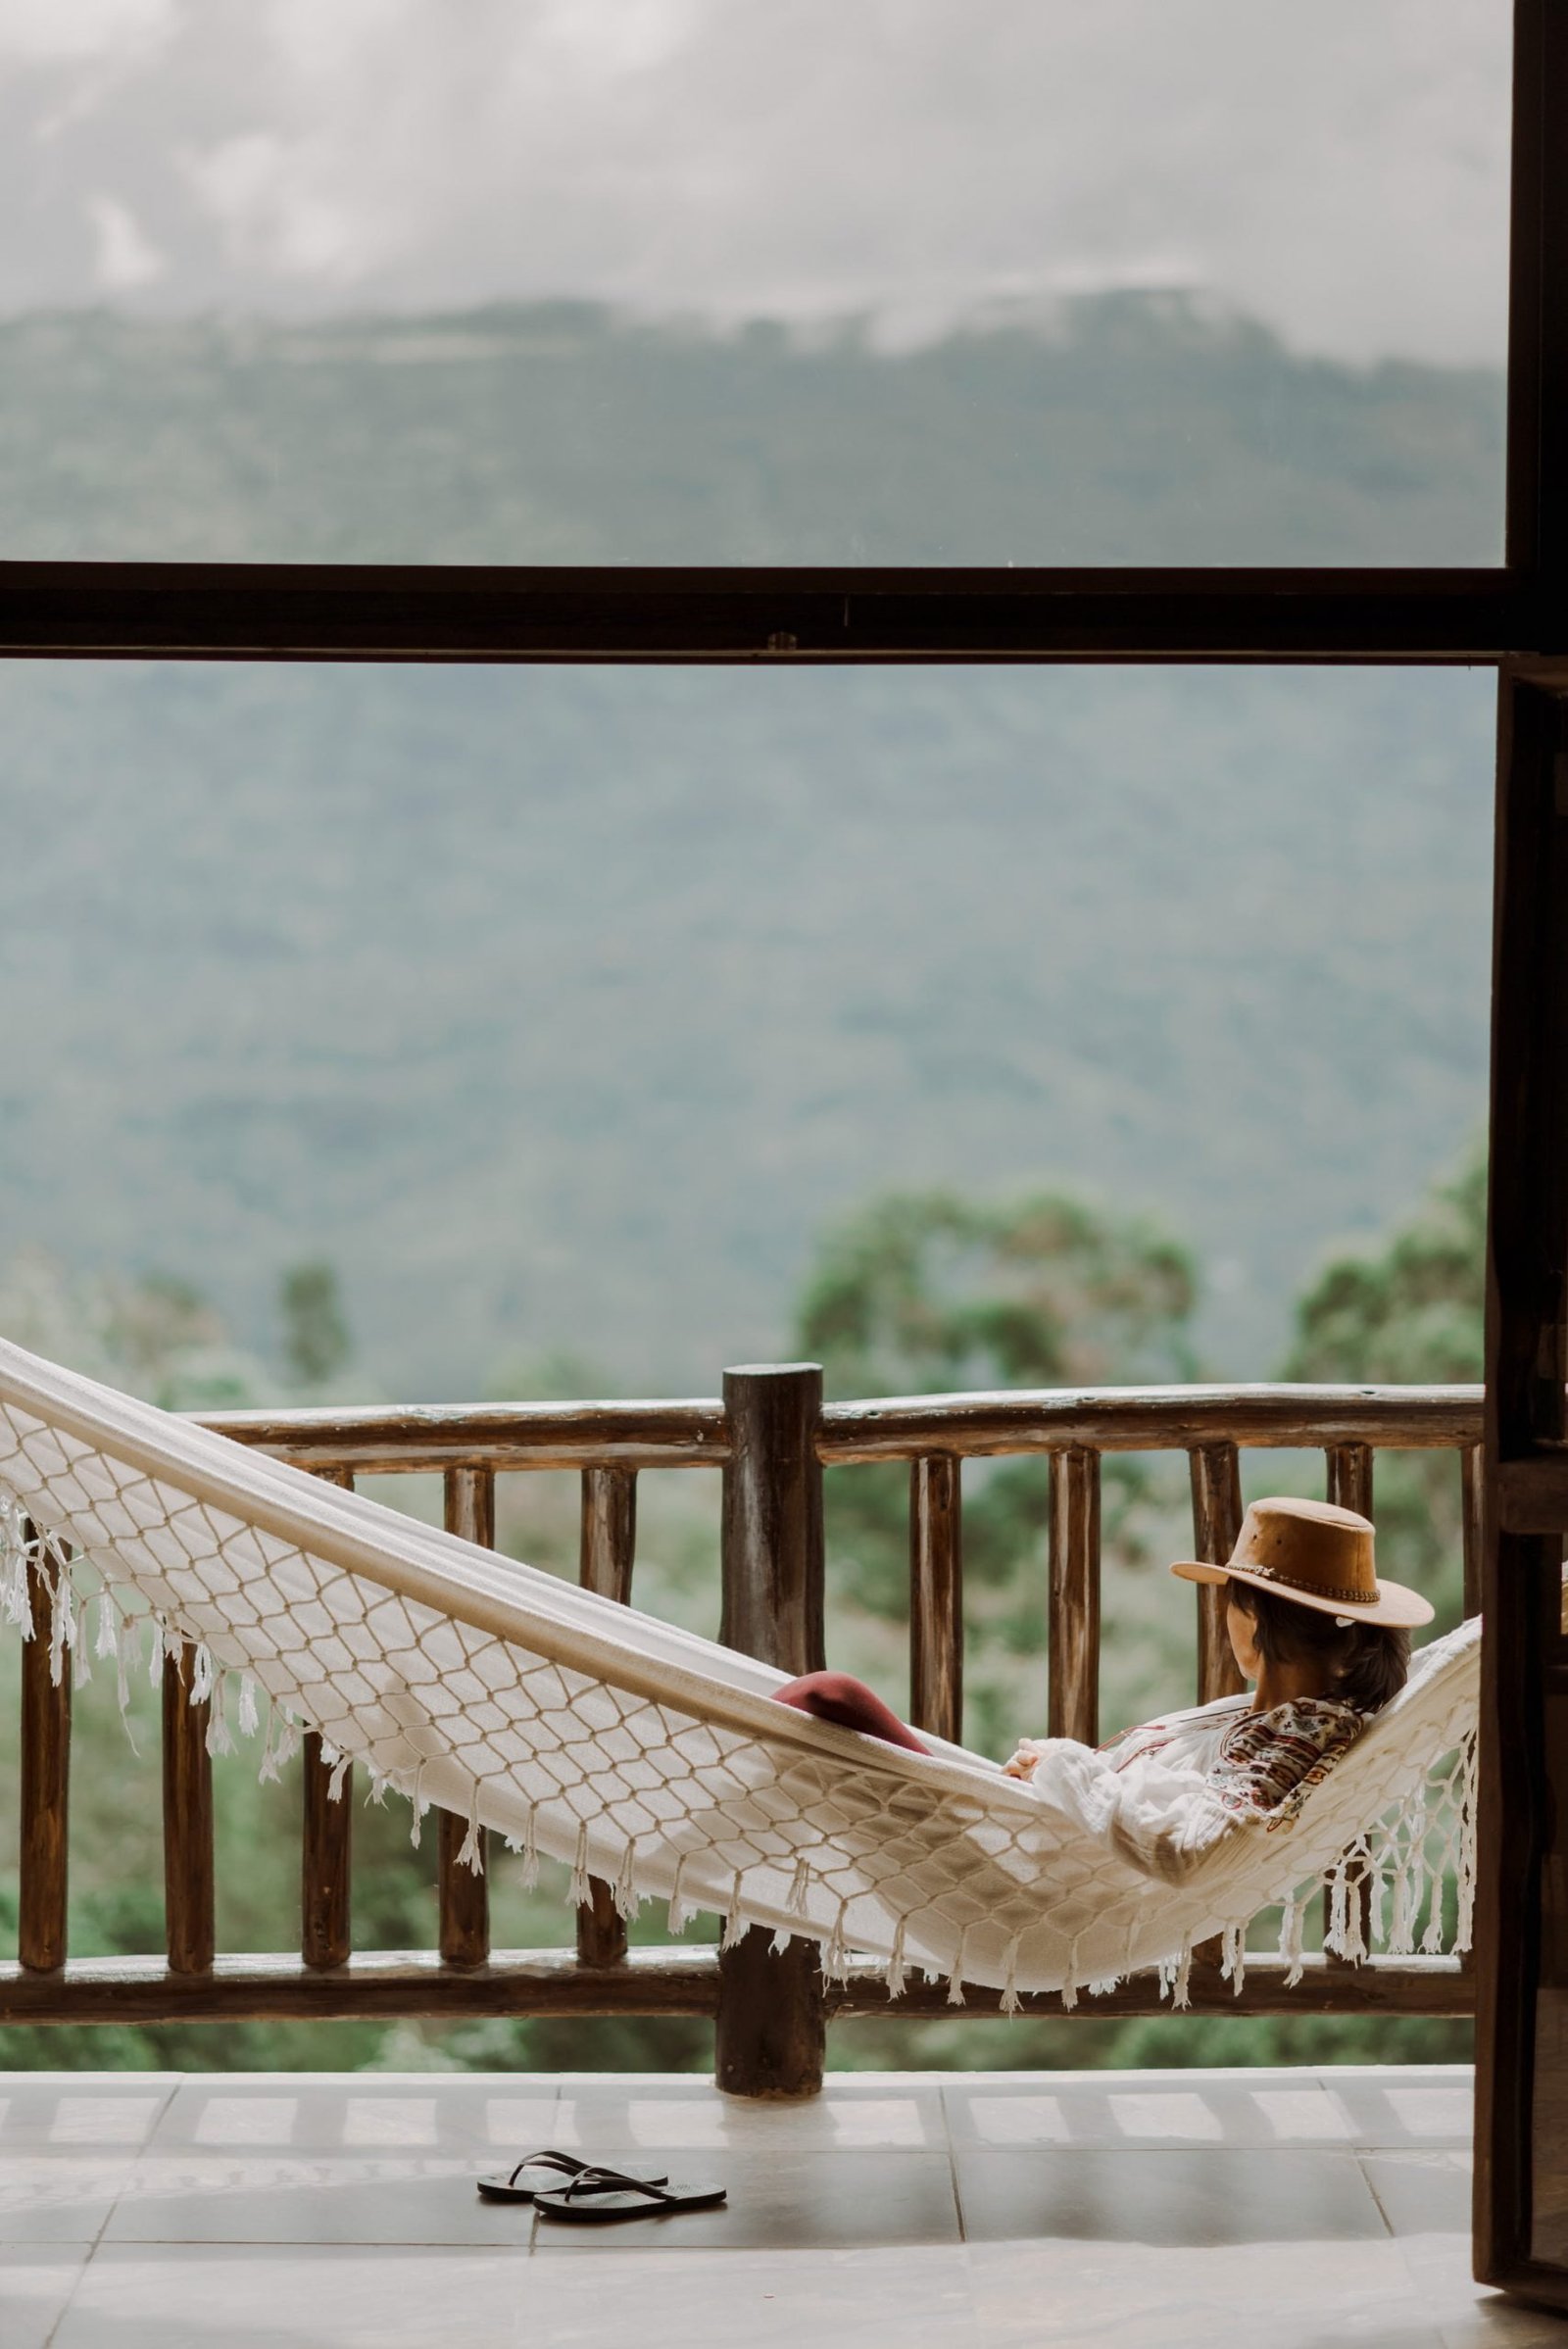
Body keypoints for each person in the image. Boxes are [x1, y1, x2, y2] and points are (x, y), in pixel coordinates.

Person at [772, 1496, 1435, 1842]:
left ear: (1252, 1615)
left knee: (831, 1694)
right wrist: (1053, 1769)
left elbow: (1192, 1839)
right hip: (1023, 1837)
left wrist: (1062, 1764)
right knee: (823, 1703)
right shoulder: (1284, 1720)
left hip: (1023, 1870)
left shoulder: (1294, 1735)